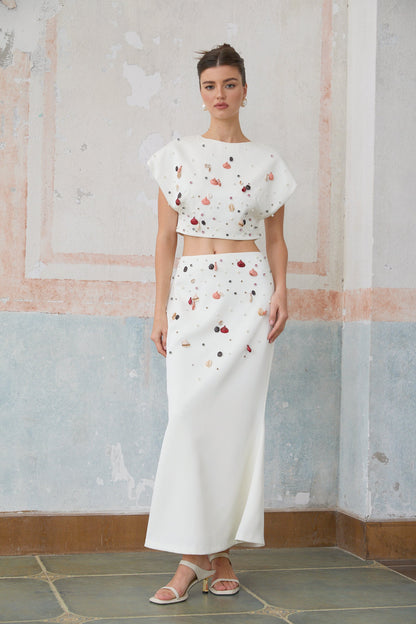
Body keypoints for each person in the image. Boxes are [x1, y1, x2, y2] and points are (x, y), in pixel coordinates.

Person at [145, 43, 296, 605]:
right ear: (201, 93)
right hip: (191, 296)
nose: (220, 95)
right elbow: (165, 238)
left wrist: (282, 291)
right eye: (210, 86)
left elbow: (276, 240)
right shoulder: (176, 156)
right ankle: (199, 553)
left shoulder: (268, 162)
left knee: (234, 427)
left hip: (247, 300)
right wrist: (159, 309)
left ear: (244, 90)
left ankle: (208, 556)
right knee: (189, 421)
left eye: (229, 84)